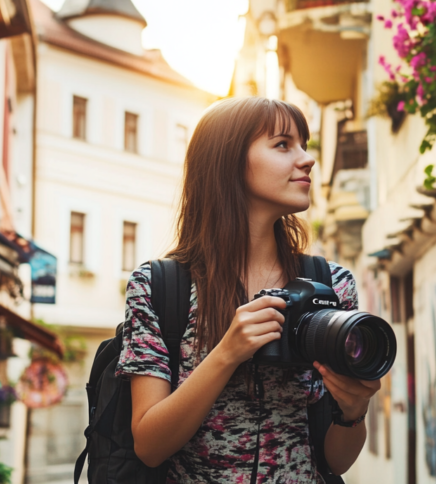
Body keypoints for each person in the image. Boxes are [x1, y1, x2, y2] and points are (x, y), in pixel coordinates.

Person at [115, 97, 380, 483]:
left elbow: (335, 462)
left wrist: (354, 411)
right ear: (230, 162)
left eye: (304, 145)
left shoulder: (331, 285)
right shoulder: (158, 287)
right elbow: (149, 446)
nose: (306, 159)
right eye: (283, 145)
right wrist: (227, 353)